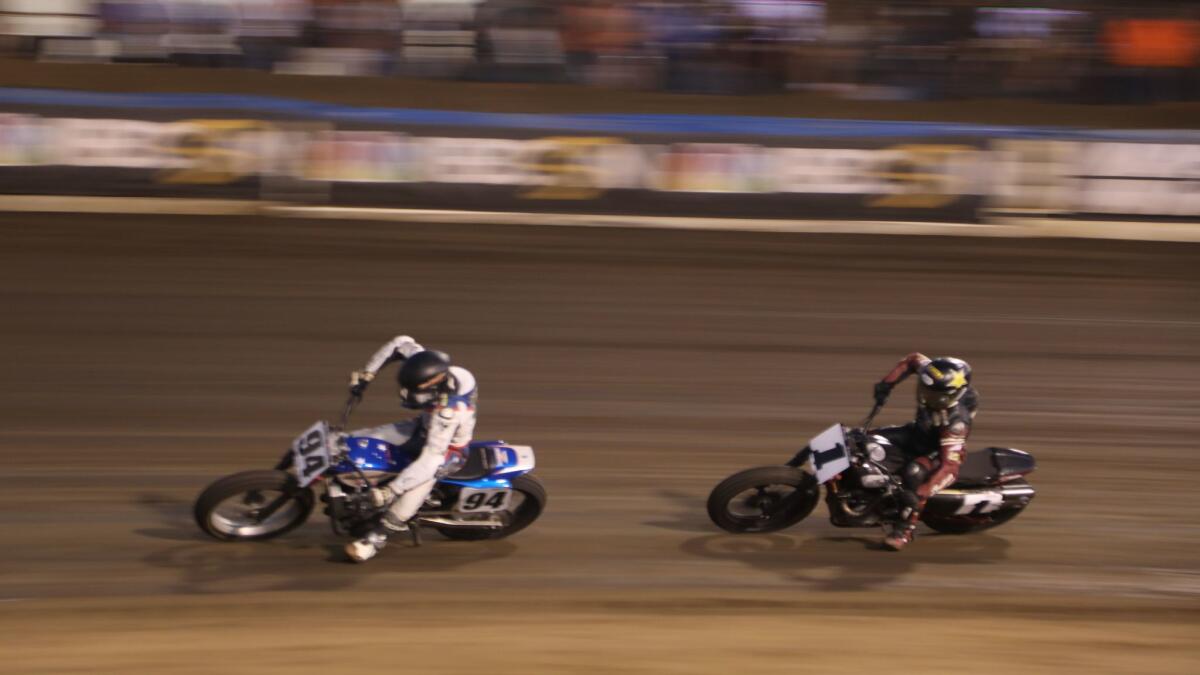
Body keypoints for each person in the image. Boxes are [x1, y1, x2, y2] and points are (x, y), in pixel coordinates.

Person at [342, 335, 477, 563]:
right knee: (358, 438)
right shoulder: (430, 365)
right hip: (422, 428)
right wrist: (367, 375)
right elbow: (400, 342)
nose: (405, 393)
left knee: (413, 491)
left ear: (433, 386)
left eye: (414, 390)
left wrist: (391, 491)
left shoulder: (449, 411)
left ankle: (377, 538)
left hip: (447, 451)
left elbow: (432, 459)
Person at [871, 353, 978, 551]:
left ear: (952, 395)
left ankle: (905, 529)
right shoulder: (934, 374)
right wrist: (887, 383)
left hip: (938, 448)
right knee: (865, 438)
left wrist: (924, 491)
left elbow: (950, 468)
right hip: (919, 431)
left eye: (933, 395)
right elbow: (913, 359)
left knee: (913, 475)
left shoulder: (956, 423)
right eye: (924, 389)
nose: (926, 395)